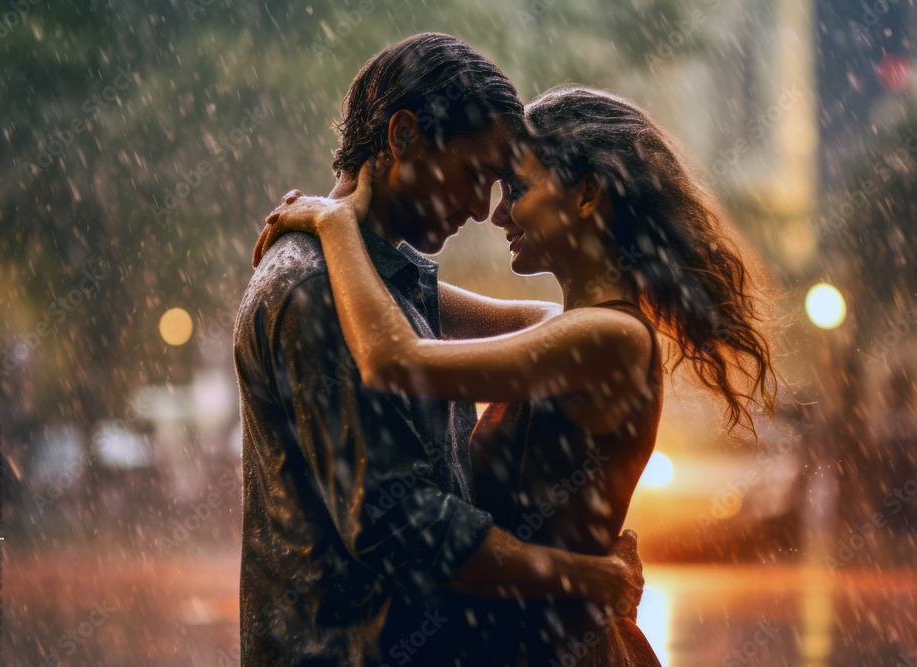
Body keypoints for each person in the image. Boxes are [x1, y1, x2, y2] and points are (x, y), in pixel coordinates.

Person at [255, 84, 781, 665]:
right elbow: (412, 295)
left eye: (519, 191)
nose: (496, 213)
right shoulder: (561, 325)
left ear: (587, 196)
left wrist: (335, 228)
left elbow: (394, 360)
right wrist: (350, 228)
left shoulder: (607, 340)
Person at [235, 35, 645, 667]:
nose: (486, 209)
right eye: (476, 175)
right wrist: (589, 577)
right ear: (402, 138)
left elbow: (545, 324)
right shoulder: (317, 290)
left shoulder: (379, 284)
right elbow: (402, 526)